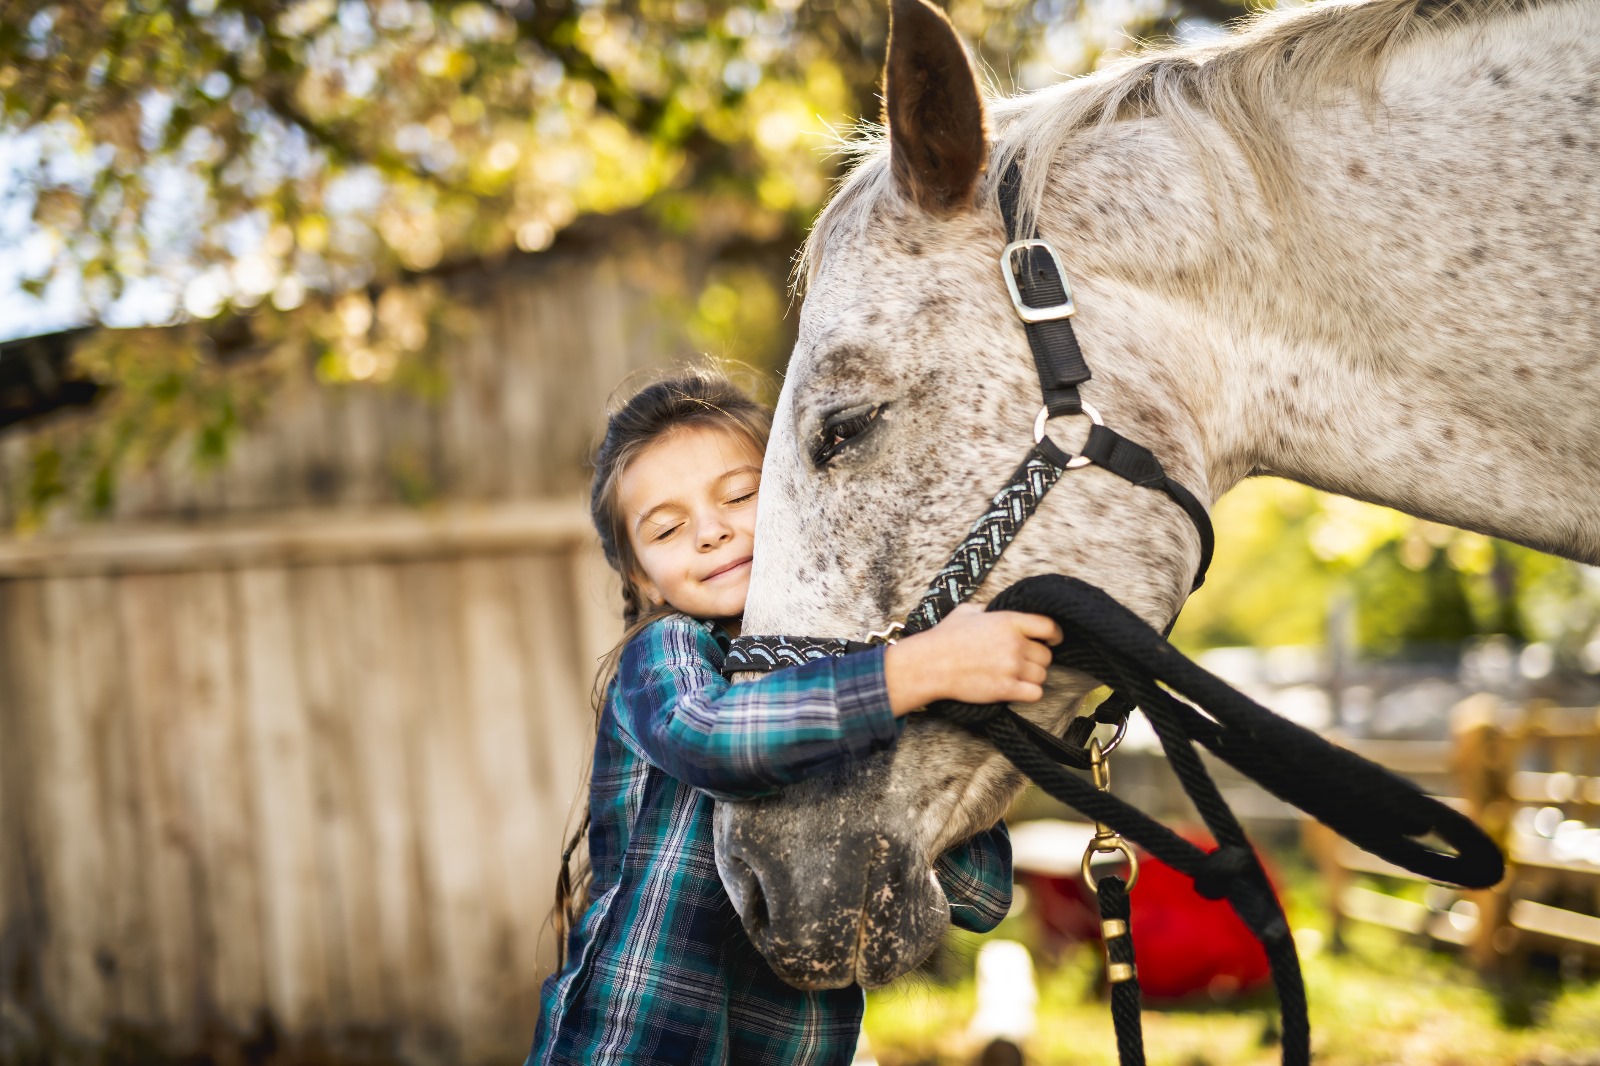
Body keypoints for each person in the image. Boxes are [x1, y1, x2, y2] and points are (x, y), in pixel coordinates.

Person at [530, 367, 1063, 1066]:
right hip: (633, 1041)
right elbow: (712, 737)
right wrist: (919, 671)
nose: (712, 533)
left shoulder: (849, 675)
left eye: (740, 496)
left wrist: (952, 706)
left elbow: (981, 893)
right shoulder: (665, 655)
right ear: (640, 578)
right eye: (667, 528)